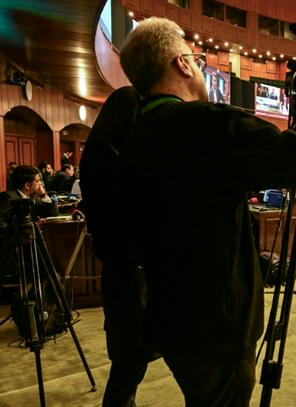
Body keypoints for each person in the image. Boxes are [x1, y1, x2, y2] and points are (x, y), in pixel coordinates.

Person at [118, 17, 296, 406]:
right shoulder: (208, 124)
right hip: (217, 329)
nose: (198, 66)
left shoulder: (134, 136)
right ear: (182, 64)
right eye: (196, 58)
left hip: (170, 320)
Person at [79, 86, 160, 407]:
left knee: (129, 363)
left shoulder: (98, 154)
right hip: (129, 272)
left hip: (120, 270)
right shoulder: (115, 161)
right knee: (129, 365)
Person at [0, 166, 59, 301]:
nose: (41, 184)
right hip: (14, 248)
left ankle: (45, 298)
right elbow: (2, 227)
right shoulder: (7, 198)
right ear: (27, 185)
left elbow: (53, 214)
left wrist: (43, 195)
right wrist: (31, 226)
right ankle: (41, 299)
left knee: (49, 267)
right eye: (38, 181)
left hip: (31, 242)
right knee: (48, 270)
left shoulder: (33, 197)